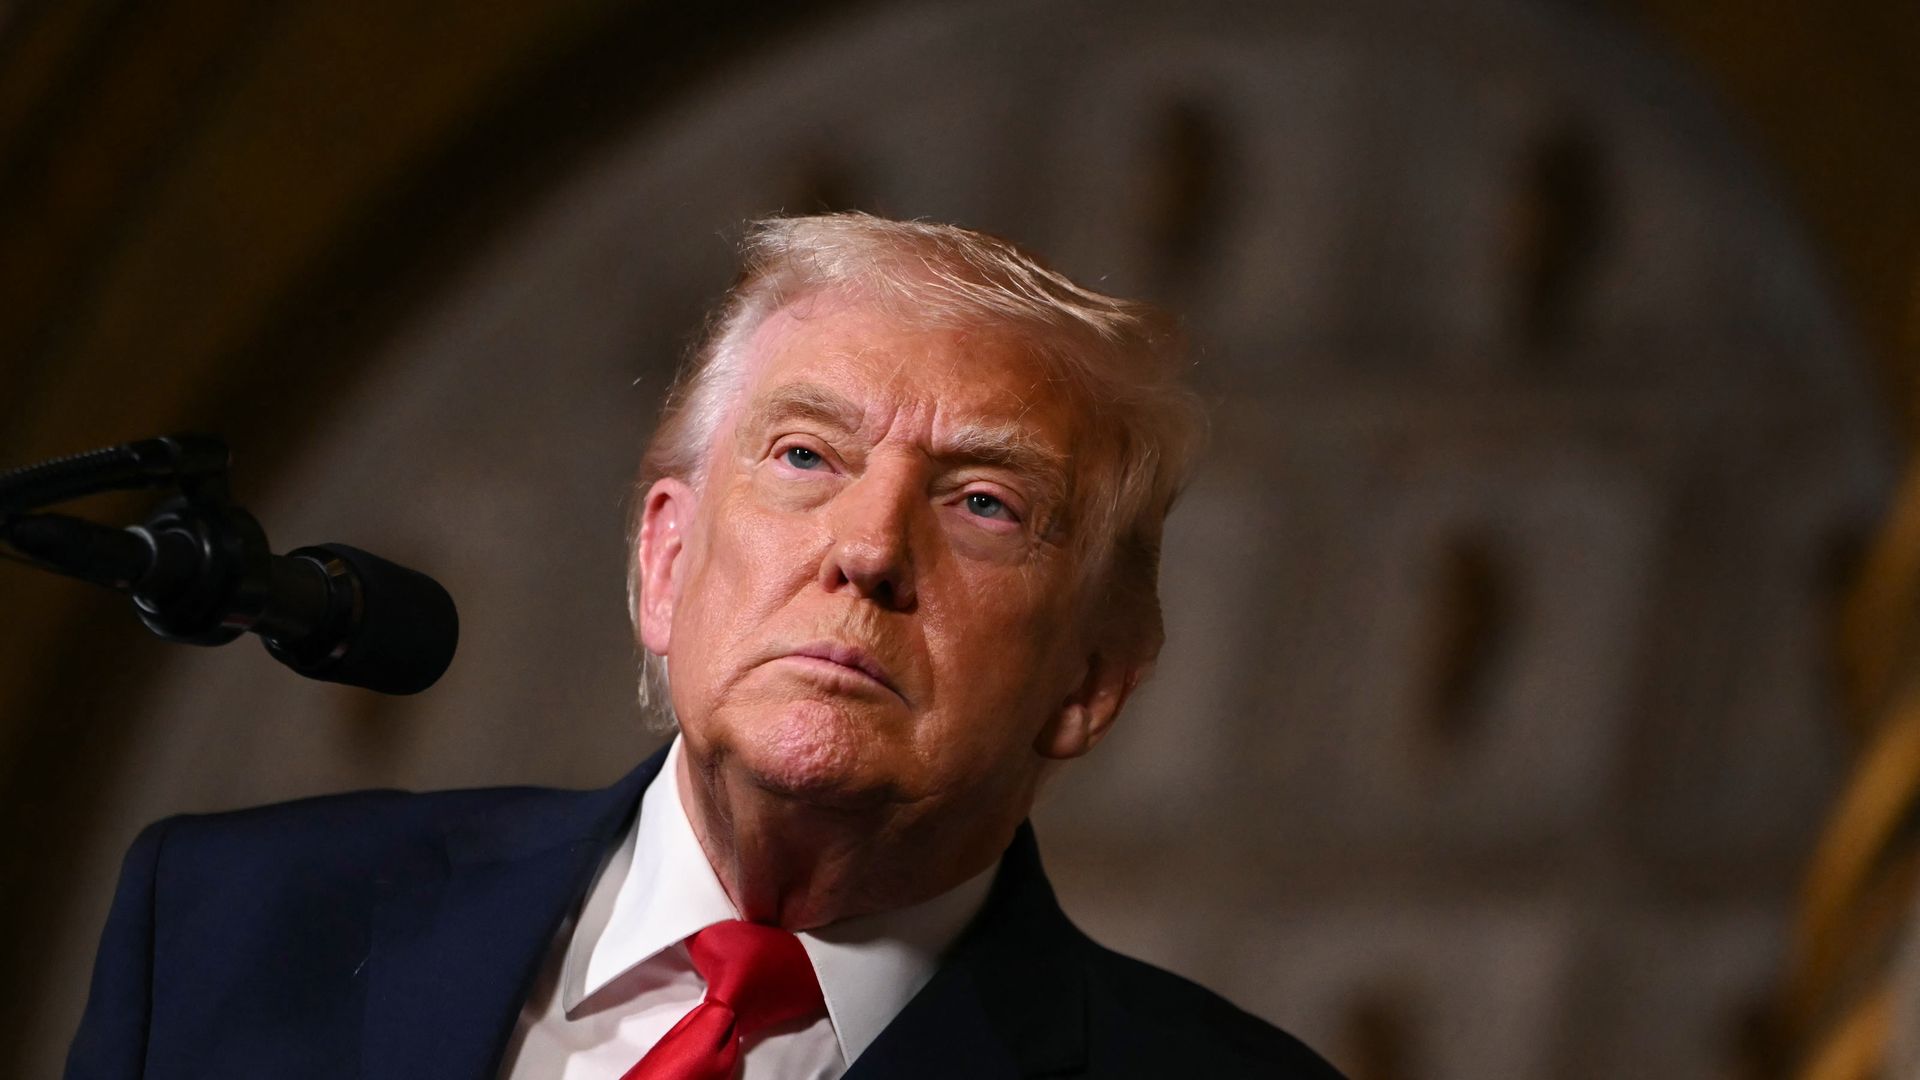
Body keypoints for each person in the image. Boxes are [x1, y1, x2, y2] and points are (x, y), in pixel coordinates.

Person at [66, 214, 1342, 1078]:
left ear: (1091, 680)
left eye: (984, 504)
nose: (869, 548)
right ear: (665, 561)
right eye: (804, 456)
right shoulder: (236, 921)